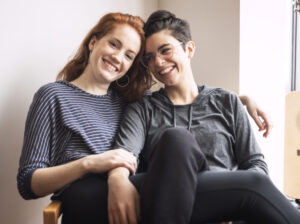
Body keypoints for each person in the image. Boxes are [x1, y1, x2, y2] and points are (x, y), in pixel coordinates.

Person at [17, 11, 272, 224]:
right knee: (249, 187)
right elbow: (28, 182)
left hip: (139, 196)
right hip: (86, 196)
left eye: (129, 55)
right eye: (114, 44)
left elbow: (183, 99)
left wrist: (241, 100)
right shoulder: (52, 95)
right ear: (93, 42)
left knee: (178, 146)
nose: (118, 57)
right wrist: (90, 164)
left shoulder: (128, 101)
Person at [110, 10, 300, 224]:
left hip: (229, 214)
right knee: (176, 140)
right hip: (167, 204)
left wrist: (229, 199)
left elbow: (255, 164)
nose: (159, 62)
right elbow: (123, 155)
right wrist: (117, 177)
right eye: (150, 58)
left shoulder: (227, 101)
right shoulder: (143, 110)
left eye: (165, 51)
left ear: (189, 49)